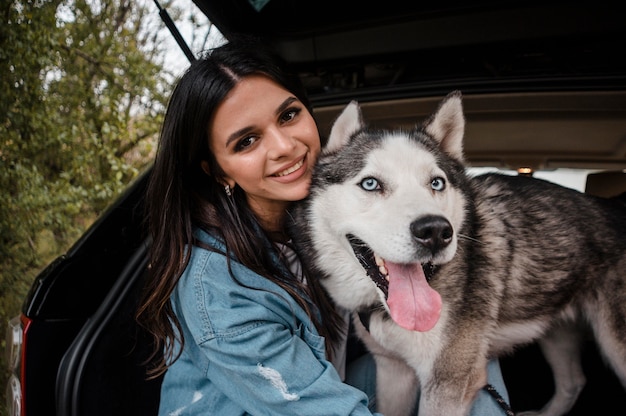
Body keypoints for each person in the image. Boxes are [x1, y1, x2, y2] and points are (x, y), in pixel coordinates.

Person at [136, 35, 511, 415]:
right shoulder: (218, 288)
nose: (284, 146)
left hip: (329, 381)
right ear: (218, 172)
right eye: (247, 141)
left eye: (288, 115)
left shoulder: (312, 217)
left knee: (464, 355)